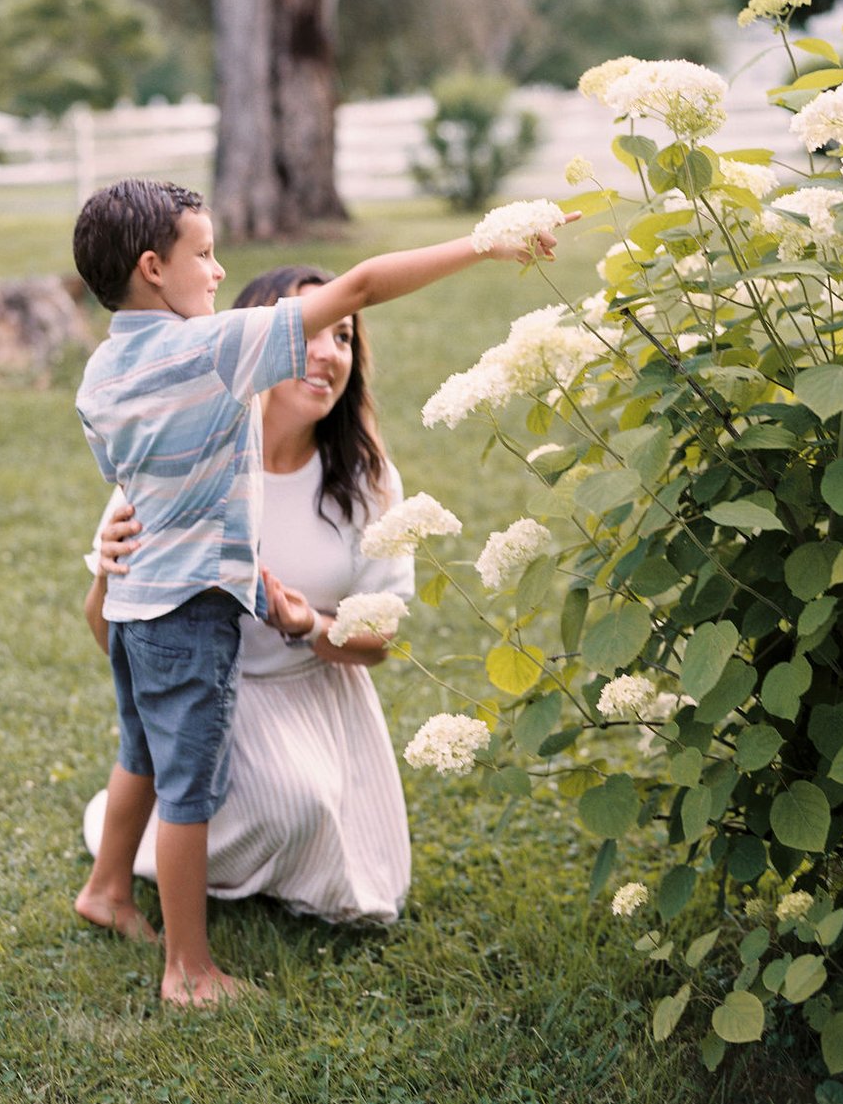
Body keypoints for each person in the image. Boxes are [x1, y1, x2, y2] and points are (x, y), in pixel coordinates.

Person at [71, 177, 564, 1009]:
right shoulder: (215, 348)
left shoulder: (100, 372)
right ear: (154, 268)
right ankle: (188, 967)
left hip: (138, 614)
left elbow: (127, 474)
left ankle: (107, 888)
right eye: (206, 254)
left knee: (141, 754)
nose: (220, 271)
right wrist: (485, 242)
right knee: (186, 790)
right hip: (190, 613)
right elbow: (364, 282)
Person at [83, 263, 415, 930]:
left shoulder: (367, 480)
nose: (327, 351)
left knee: (336, 844)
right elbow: (113, 635)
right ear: (258, 342)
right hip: (210, 687)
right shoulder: (189, 450)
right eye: (312, 328)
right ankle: (149, 841)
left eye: (344, 336)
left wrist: (309, 623)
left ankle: (218, 836)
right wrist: (106, 574)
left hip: (317, 689)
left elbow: (381, 641)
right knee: (288, 805)